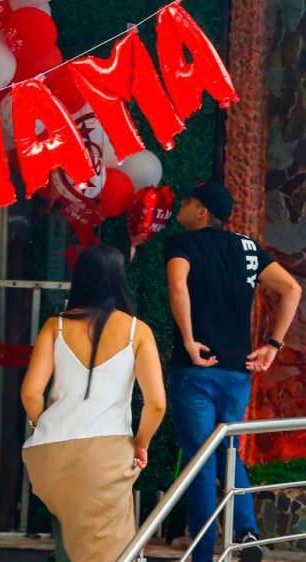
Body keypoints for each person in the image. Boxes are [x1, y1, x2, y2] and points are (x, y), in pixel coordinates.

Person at [165, 182, 301, 562]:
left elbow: (178, 285)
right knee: (229, 451)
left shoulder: (183, 244)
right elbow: (291, 289)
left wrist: (190, 341)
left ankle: (204, 553)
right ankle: (246, 534)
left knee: (200, 460)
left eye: (188, 201)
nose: (182, 205)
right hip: (238, 371)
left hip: (195, 370)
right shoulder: (247, 248)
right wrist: (273, 346)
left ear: (202, 211)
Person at [21, 244, 167, 562]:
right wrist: (140, 444)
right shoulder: (137, 332)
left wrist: (39, 425)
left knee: (67, 533)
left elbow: (31, 393)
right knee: (109, 552)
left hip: (50, 454)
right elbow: (156, 403)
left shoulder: (54, 326)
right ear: (119, 280)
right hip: (107, 457)